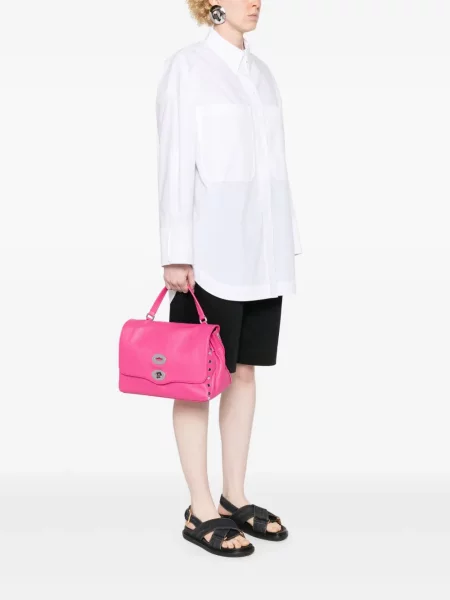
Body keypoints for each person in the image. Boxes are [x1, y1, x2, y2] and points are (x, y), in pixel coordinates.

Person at [155, 0, 302, 557]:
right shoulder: (187, 68)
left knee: (244, 373)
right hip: (208, 255)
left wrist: (285, 239)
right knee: (197, 378)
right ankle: (199, 507)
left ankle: (234, 496)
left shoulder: (262, 75)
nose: (255, 1)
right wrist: (176, 252)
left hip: (261, 254)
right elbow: (174, 161)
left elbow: (275, 168)